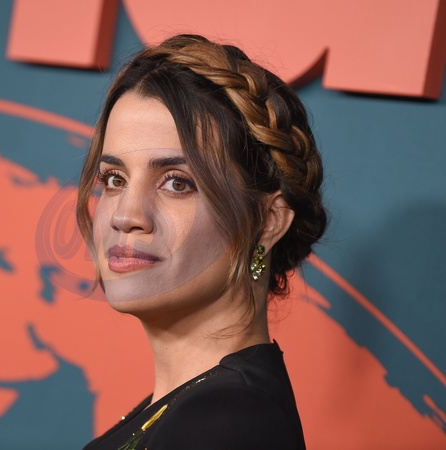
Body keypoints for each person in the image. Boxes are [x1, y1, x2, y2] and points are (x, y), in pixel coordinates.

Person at [77, 34, 327, 450]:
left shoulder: (228, 421)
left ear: (268, 221)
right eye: (115, 179)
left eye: (177, 183)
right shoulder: (196, 406)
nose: (125, 216)